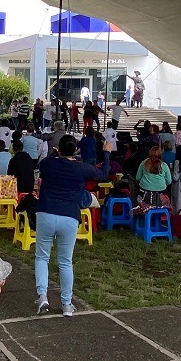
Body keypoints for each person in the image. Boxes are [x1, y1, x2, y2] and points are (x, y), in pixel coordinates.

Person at [34, 135, 104, 317]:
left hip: (46, 212)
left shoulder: (48, 164)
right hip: (69, 216)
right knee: (65, 262)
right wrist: (107, 152)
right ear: (75, 150)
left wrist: (54, 151)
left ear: (59, 149)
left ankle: (42, 295)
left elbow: (44, 162)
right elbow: (103, 174)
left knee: (42, 257)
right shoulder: (82, 169)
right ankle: (67, 304)